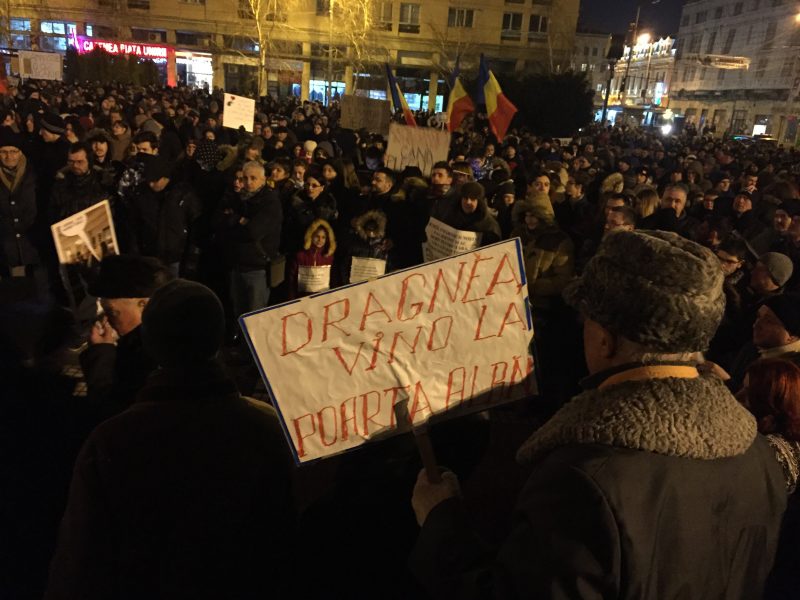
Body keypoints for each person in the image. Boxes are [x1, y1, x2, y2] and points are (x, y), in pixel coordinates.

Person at [410, 230, 786, 599]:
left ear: (605, 339)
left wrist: (440, 521)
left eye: (586, 319)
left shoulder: (585, 481)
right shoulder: (759, 454)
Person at [46, 280, 296, 600]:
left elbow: (80, 555)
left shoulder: (113, 439)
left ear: (150, 343)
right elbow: (285, 535)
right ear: (219, 339)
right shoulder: (266, 429)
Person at [80, 254, 171, 418]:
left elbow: (111, 410)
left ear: (144, 305)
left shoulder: (154, 356)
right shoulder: (151, 335)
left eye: (112, 312)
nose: (106, 320)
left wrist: (101, 353)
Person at [226, 160, 282, 315]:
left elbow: (253, 231)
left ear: (263, 180)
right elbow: (222, 222)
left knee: (255, 316)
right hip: (238, 264)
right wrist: (241, 221)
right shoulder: (239, 199)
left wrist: (236, 219)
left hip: (257, 267)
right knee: (239, 313)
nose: (248, 182)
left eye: (253, 178)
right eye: (245, 178)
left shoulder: (270, 202)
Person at [288, 218, 336, 298]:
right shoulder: (301, 255)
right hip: (302, 298)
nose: (320, 240)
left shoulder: (328, 257)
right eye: (317, 236)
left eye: (323, 237)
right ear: (311, 236)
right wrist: (291, 298)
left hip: (323, 298)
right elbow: (292, 279)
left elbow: (333, 279)